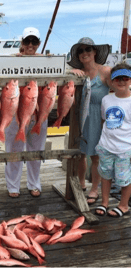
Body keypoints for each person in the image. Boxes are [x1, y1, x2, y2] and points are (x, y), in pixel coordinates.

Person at [67, 37, 112, 205]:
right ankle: (81, 183)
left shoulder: (106, 71)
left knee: (96, 156)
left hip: (98, 118)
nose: (84, 53)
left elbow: (120, 90)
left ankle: (95, 189)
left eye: (87, 49)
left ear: (94, 52)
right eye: (80, 51)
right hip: (80, 117)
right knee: (80, 153)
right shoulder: (78, 74)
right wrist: (71, 73)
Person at [5, 27, 47, 198]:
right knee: (13, 151)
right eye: (27, 41)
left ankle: (34, 184)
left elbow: (62, 74)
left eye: (34, 42)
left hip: (38, 113)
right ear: (22, 42)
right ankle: (13, 186)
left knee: (36, 151)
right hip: (15, 112)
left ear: (39, 43)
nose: (30, 45)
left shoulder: (47, 61)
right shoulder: (11, 60)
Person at [94, 63, 131, 217]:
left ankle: (123, 205)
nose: (121, 82)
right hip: (106, 146)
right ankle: (104, 202)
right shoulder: (106, 99)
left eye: (125, 78)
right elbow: (105, 119)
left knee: (125, 179)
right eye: (117, 79)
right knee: (105, 175)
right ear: (112, 81)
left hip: (125, 149)